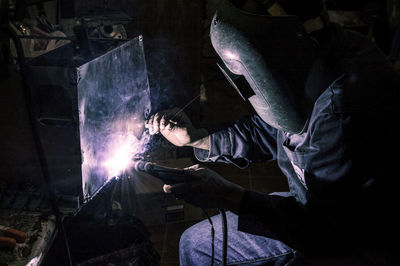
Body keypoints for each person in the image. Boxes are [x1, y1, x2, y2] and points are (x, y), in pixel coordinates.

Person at [146, 0, 400, 264]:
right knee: (197, 240)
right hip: (320, 209)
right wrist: (198, 138)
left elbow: (325, 233)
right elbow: (269, 130)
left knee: (198, 248)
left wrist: (228, 195)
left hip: (356, 240)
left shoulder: (341, 107)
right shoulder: (320, 54)